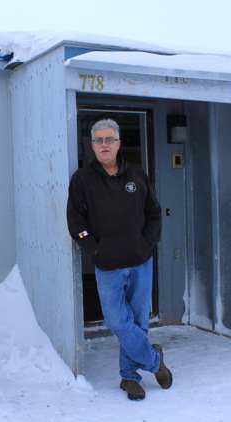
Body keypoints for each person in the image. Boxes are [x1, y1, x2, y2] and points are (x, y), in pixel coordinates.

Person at [66, 118, 172, 401]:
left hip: (140, 261)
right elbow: (76, 221)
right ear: (92, 145)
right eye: (98, 140)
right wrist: (96, 249)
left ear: (118, 143)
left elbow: (154, 213)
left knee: (137, 321)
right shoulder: (82, 180)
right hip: (108, 265)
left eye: (109, 139)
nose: (104, 145)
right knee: (116, 321)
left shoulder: (137, 176)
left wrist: (146, 243)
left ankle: (129, 378)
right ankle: (153, 360)